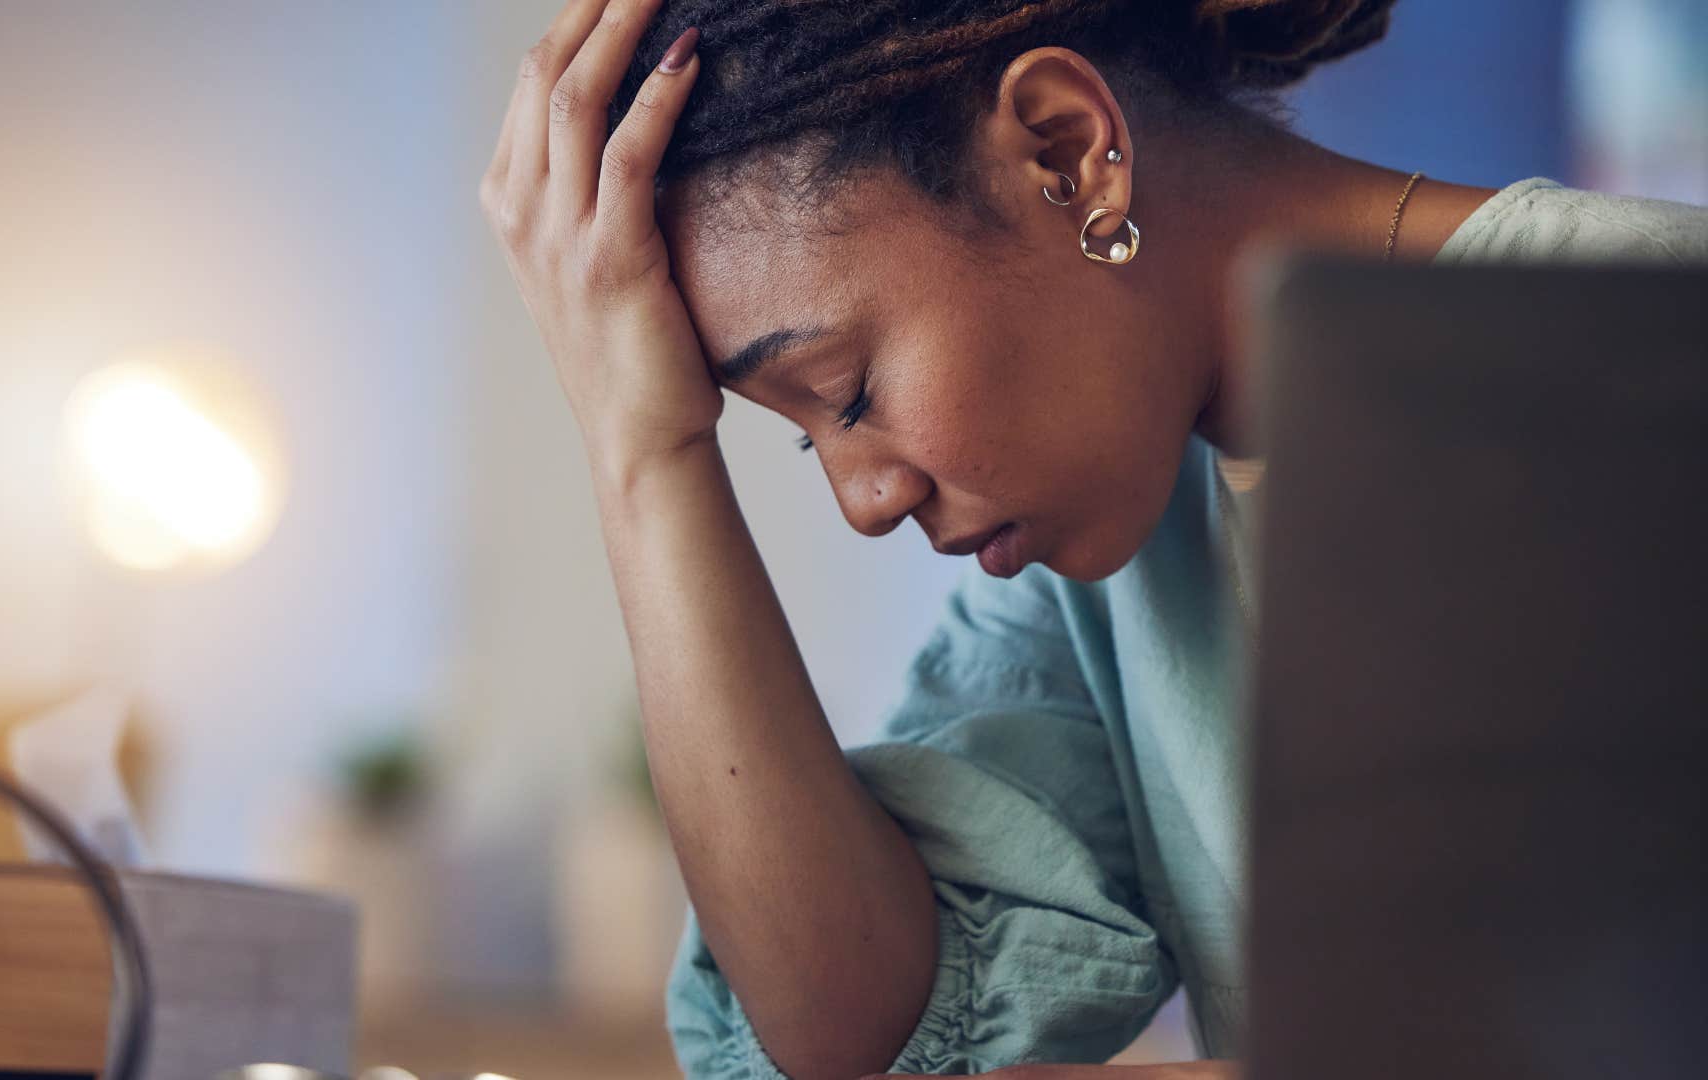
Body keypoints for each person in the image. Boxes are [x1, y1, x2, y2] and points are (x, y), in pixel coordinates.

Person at [477, 1, 1708, 1077]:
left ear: (1067, 152)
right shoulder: (1102, 566)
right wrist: (646, 454)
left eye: (846, 391)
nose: (863, 500)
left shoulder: (1658, 354)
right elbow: (852, 1024)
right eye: (805, 438)